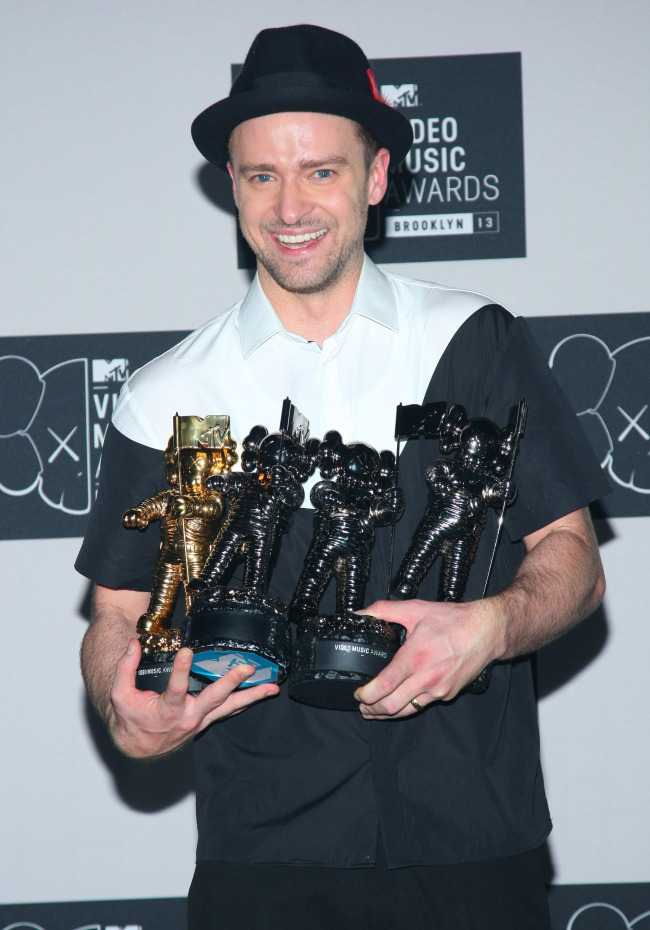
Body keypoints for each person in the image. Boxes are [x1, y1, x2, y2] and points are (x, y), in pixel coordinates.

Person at [76, 24, 609, 930]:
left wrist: (491, 625)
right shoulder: (178, 393)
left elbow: (573, 560)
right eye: (262, 175)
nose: (291, 206)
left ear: (374, 178)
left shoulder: (473, 341)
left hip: (474, 846)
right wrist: (124, 710)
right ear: (233, 187)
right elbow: (119, 614)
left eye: (321, 170)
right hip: (266, 858)